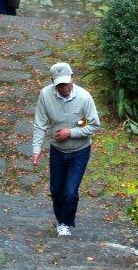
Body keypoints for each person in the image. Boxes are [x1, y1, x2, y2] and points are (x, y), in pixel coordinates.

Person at [31, 62, 100, 236]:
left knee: (70, 191)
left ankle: (65, 222)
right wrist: (36, 149)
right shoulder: (46, 95)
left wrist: (71, 133)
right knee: (56, 189)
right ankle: (59, 218)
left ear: (72, 78)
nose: (64, 87)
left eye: (66, 82)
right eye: (60, 84)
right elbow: (40, 124)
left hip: (80, 151)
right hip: (57, 151)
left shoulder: (84, 97)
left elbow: (94, 125)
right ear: (53, 82)